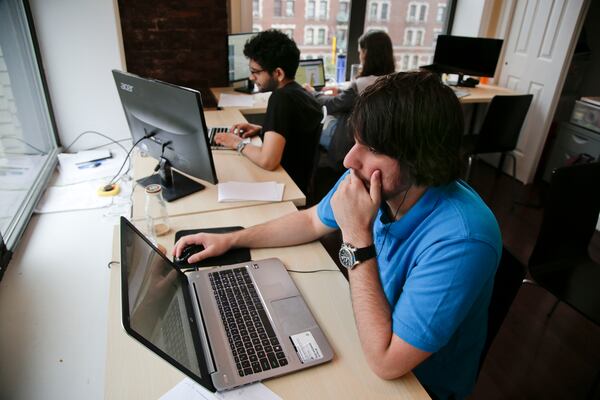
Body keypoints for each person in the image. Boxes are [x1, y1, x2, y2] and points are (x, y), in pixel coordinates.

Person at [175, 71, 502, 399]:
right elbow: (311, 221)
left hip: (415, 385)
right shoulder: (372, 180)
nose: (349, 159)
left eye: (370, 147)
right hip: (366, 328)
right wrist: (233, 239)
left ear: (419, 158)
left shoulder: (462, 240)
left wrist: (357, 237)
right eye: (357, 141)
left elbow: (387, 362)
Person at [214, 30, 323, 193]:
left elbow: (268, 161)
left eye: (255, 72)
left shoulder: (281, 98)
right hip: (299, 182)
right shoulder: (299, 93)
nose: (252, 78)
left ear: (278, 73)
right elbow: (295, 134)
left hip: (286, 186)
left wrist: (235, 142)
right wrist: (262, 129)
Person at [304, 30, 395, 172]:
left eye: (360, 52)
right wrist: (340, 91)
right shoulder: (393, 81)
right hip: (377, 141)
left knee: (311, 130)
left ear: (366, 53)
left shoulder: (361, 84)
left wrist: (312, 92)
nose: (359, 56)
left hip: (350, 142)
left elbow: (332, 105)